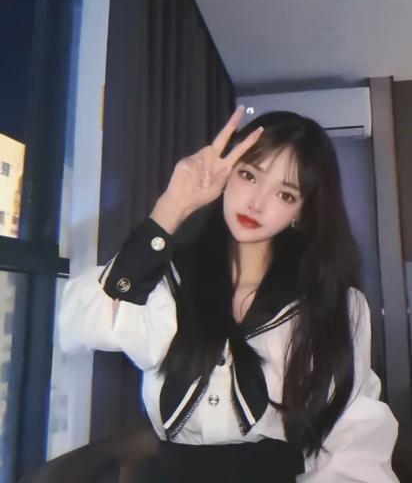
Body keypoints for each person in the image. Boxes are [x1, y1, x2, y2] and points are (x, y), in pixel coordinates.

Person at [59, 107, 400, 482]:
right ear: (226, 175)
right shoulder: (168, 283)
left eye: (285, 194)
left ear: (301, 212)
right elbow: (79, 323)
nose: (257, 203)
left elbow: (354, 433)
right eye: (249, 175)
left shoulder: (331, 305)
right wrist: (171, 207)